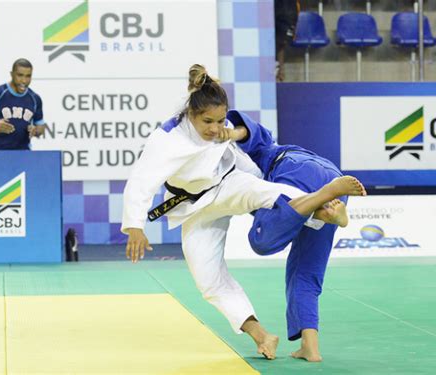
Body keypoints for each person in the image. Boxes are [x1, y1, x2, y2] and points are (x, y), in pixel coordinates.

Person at [121, 64, 366, 360]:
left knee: (270, 193)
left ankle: (323, 205)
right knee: (208, 279)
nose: (214, 129)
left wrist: (234, 131)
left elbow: (250, 150)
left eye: (220, 120)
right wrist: (135, 225)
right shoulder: (167, 139)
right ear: (190, 115)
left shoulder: (228, 131)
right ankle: (262, 336)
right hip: (195, 208)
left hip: (229, 182)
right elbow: (141, 180)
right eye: (207, 122)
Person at [226, 109, 364, 362]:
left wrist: (231, 133)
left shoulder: (261, 150)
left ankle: (319, 204)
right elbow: (248, 130)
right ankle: (310, 348)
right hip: (332, 178)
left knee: (261, 239)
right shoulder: (254, 156)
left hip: (295, 172)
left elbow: (248, 130)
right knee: (305, 271)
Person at [0, 58, 45, 150]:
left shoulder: (35, 98)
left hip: (24, 154)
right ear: (12, 74)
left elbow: (40, 126)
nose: (24, 81)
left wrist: (36, 131)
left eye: (28, 76)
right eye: (20, 75)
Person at [275, 0, 300, 82]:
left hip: (287, 10)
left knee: (282, 40)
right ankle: (277, 70)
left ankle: (280, 70)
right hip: (265, 7)